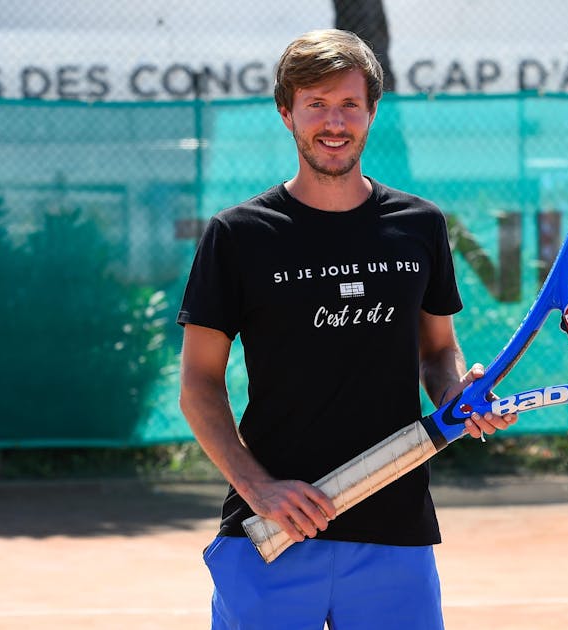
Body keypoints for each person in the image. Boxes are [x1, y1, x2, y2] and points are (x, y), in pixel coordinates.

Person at [177, 28, 516, 629]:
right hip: (272, 533)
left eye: (349, 105)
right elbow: (199, 384)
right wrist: (260, 490)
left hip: (396, 534)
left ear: (371, 112)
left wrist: (456, 394)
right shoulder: (239, 235)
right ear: (287, 113)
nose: (334, 122)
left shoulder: (420, 225)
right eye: (316, 104)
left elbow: (438, 352)